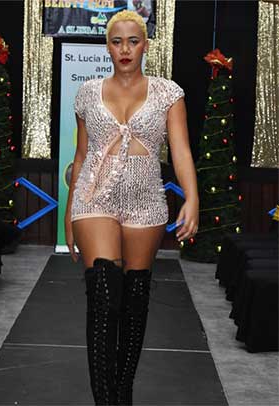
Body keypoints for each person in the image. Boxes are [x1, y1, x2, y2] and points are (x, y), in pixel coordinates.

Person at [64, 11, 199, 405]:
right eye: (117, 41)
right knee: (103, 296)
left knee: (134, 302)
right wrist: (69, 214)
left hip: (146, 199)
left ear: (145, 45)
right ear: (107, 47)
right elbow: (81, 154)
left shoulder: (168, 93)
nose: (125, 49)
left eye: (133, 41)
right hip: (94, 197)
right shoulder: (88, 92)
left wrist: (192, 198)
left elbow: (181, 151)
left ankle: (122, 394)